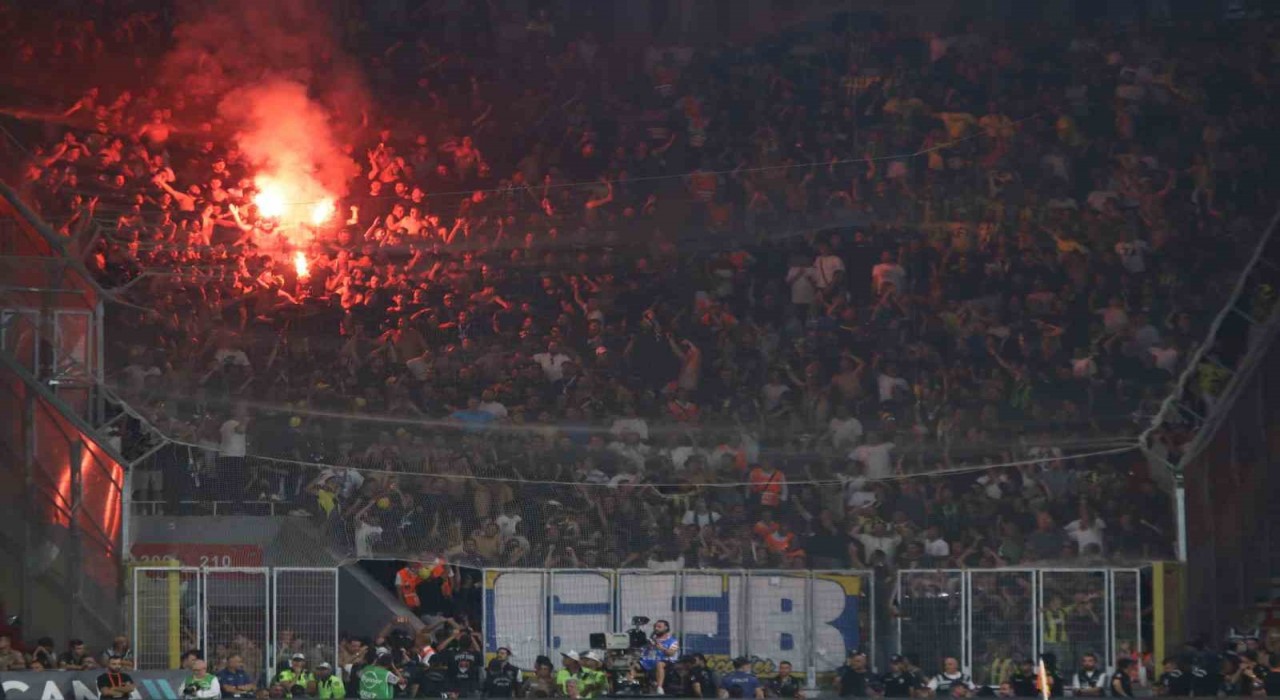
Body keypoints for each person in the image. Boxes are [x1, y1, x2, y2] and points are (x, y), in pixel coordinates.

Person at [640, 620, 679, 694]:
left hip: (666, 663)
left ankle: (659, 687)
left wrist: (662, 648)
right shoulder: (651, 641)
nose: (656, 628)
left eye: (659, 627)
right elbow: (642, 653)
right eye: (655, 627)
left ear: (666, 628)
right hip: (648, 663)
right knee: (631, 664)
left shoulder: (672, 641)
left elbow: (671, 653)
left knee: (659, 664)